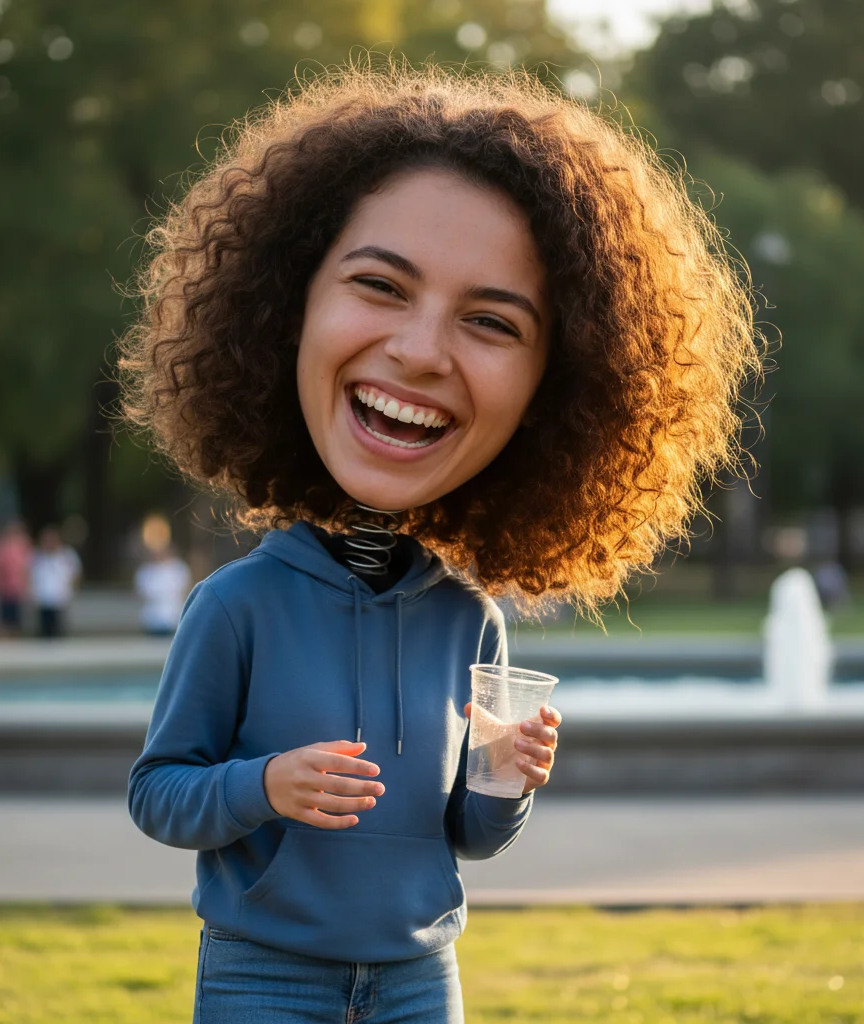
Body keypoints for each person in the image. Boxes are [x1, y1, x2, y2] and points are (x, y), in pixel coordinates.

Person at [121, 64, 759, 1022]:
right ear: (286, 305)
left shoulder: (473, 618)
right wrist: (264, 785)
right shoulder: (236, 605)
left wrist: (510, 779)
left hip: (423, 979)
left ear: (557, 391)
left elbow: (470, 834)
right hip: (261, 975)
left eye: (492, 322)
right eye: (381, 284)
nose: (421, 352)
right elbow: (158, 794)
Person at [30, 525, 81, 638]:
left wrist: (70, 590)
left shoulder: (67, 555)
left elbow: (76, 575)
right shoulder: (37, 556)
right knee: (44, 632)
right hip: (43, 600)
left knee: (59, 631)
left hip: (60, 600)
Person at [0, 519, 32, 637]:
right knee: (2, 619)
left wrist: (27, 584)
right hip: (2, 587)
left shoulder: (23, 545)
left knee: (15, 618)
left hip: (17, 588)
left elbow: (28, 566)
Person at [134, 542, 192, 635]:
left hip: (173, 617)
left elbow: (184, 589)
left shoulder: (178, 568)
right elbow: (142, 592)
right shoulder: (145, 570)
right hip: (152, 618)